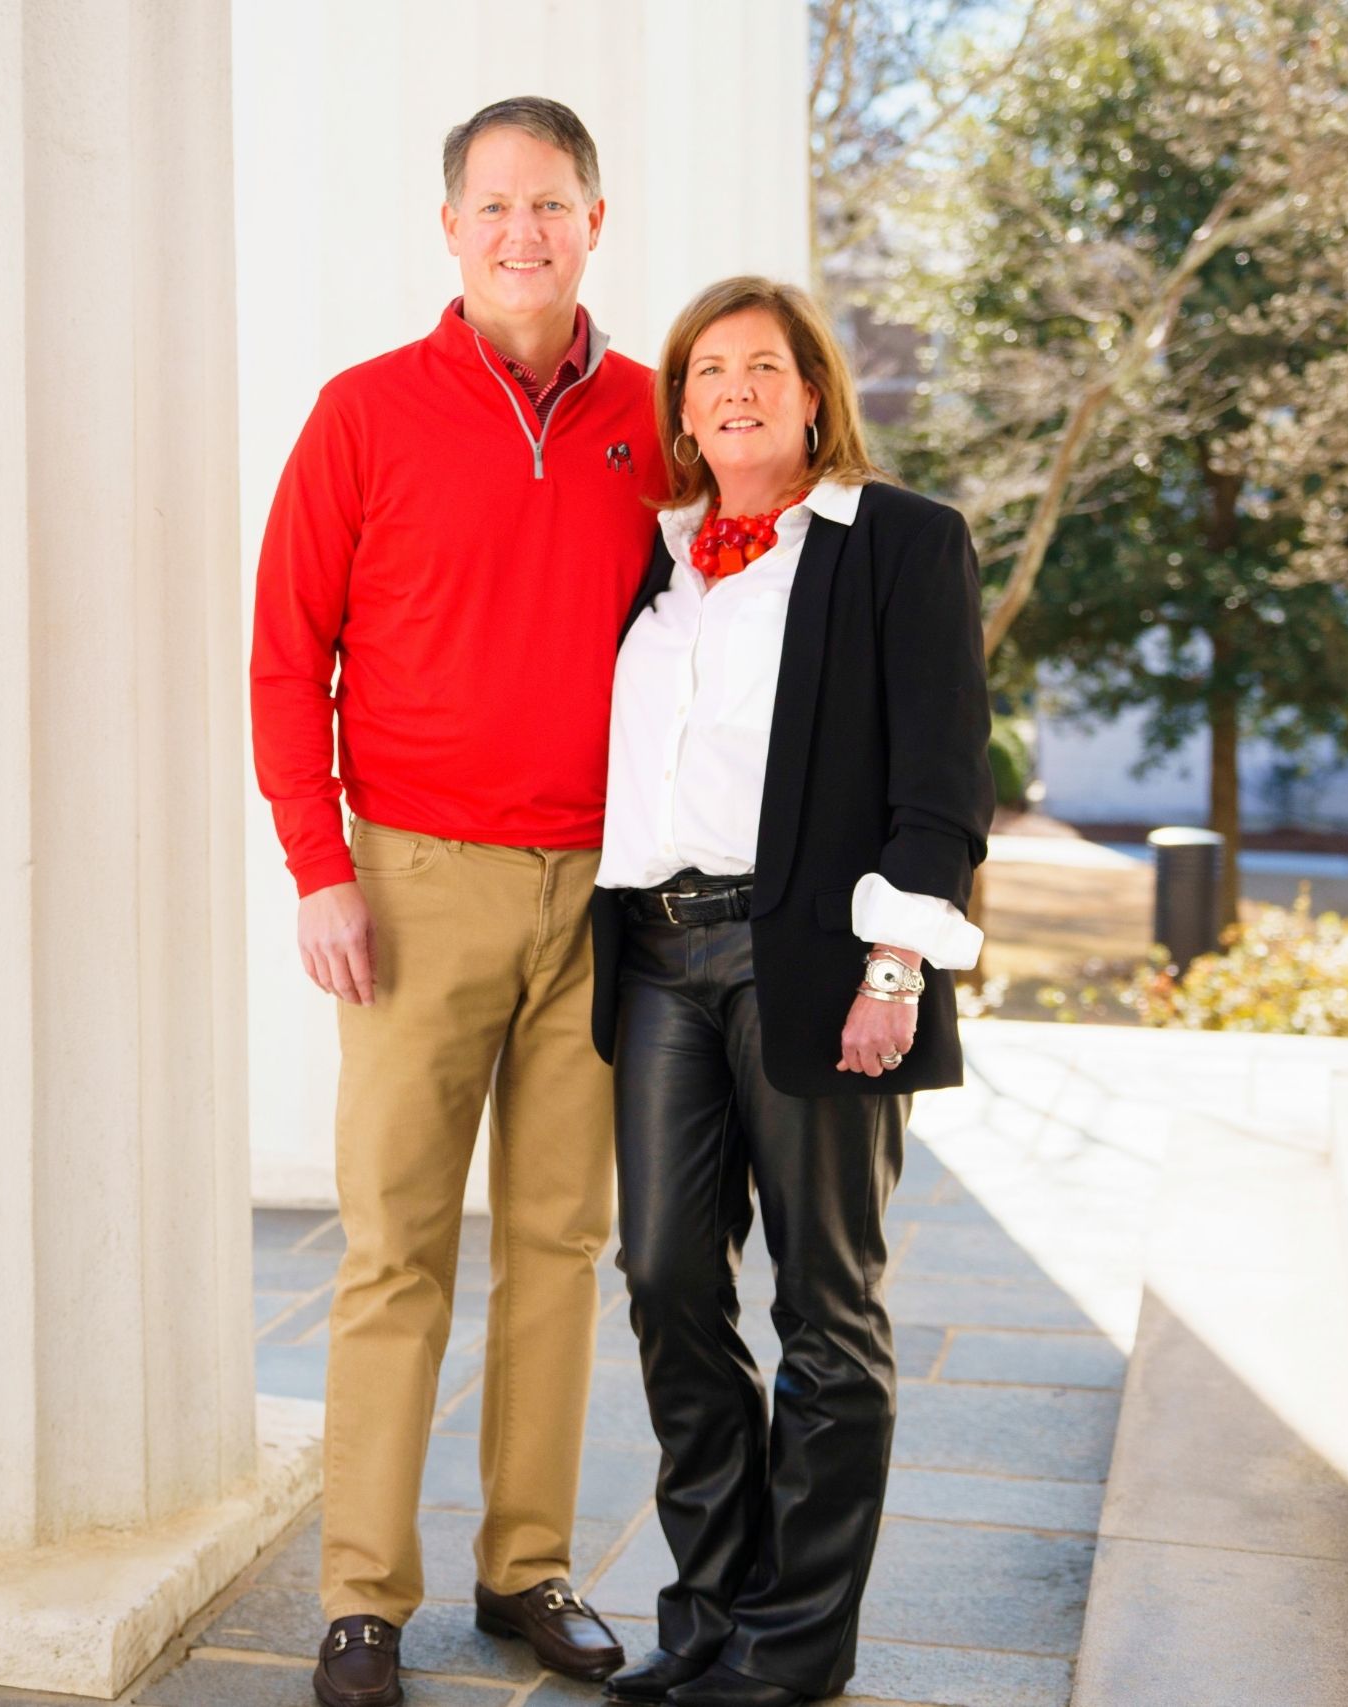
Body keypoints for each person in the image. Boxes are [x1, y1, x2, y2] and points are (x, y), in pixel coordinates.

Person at [250, 96, 666, 1707]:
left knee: (561, 1245)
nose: (521, 231)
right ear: (450, 228)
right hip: (415, 885)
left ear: (593, 223)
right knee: (397, 1253)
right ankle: (363, 1596)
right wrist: (320, 869)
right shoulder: (364, 413)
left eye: (549, 205)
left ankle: (527, 1571)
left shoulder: (654, 416)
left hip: (605, 898)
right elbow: (292, 657)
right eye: (493, 205)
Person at [588, 277, 994, 1707]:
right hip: (655, 956)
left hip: (812, 962)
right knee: (663, 1281)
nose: (736, 390)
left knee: (826, 1309)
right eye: (708, 372)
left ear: (816, 391)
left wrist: (896, 969)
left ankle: (795, 1643)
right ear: (682, 408)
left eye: (765, 366)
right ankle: (711, 1609)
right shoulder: (657, 559)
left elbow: (943, 781)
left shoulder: (898, 543)